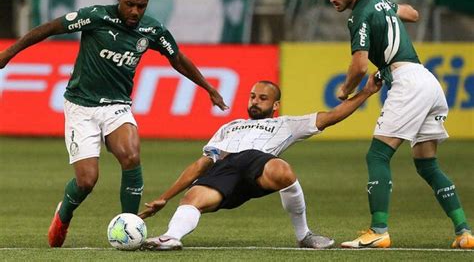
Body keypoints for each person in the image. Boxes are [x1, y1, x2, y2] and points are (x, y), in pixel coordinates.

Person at [0, 0, 228, 247]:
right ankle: (63, 215)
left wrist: (207, 88)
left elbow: (176, 57)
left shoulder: (152, 30)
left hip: (117, 106)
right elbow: (49, 28)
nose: (135, 11)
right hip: (81, 106)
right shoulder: (95, 17)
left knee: (131, 155)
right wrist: (8, 54)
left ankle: (129, 226)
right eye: (130, 4)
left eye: (141, 6)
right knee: (87, 181)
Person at [137, 74, 382, 250]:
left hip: (259, 165)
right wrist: (165, 197)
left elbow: (331, 116)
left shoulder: (286, 124)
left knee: (282, 169)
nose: (255, 101)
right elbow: (202, 163)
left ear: (275, 105)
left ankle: (304, 235)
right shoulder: (229, 126)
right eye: (252, 96)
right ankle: (170, 237)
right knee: (193, 200)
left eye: (262, 98)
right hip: (226, 168)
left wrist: (367, 92)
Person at [324, 0, 473, 249]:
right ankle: (464, 232)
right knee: (427, 164)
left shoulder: (359, 15)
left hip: (408, 82)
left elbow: (359, 65)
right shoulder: (379, 1)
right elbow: (413, 14)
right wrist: (390, 11)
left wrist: (345, 90)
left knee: (377, 156)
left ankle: (378, 230)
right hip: (428, 80)